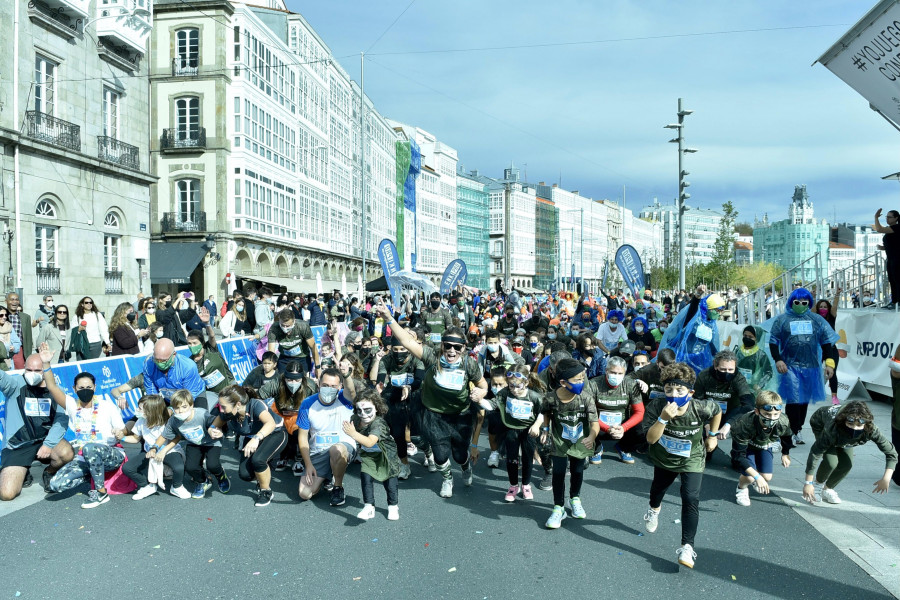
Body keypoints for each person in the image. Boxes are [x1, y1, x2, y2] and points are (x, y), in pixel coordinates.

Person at [375, 303, 487, 498]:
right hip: (434, 415)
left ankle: (465, 465)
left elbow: (483, 385)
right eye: (448, 346)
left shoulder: (469, 364)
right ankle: (447, 479)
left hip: (460, 415)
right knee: (441, 455)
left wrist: (480, 393)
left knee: (460, 455)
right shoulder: (433, 357)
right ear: (442, 345)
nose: (451, 351)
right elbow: (408, 342)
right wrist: (388, 317)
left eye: (457, 347)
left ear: (463, 348)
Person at [641, 362, 722, 569]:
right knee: (657, 491)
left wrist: (712, 435)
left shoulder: (700, 407)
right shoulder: (657, 406)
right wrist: (663, 419)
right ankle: (653, 510)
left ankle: (687, 546)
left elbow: (717, 411)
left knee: (691, 497)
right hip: (664, 458)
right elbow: (650, 439)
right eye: (669, 389)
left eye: (680, 390)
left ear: (691, 392)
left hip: (692, 458)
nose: (674, 394)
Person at [40, 346, 127, 509]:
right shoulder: (72, 405)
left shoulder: (107, 406)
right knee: (57, 485)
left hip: (111, 454)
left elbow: (123, 430)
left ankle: (101, 494)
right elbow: (52, 387)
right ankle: (92, 474)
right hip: (84, 457)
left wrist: (120, 433)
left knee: (89, 448)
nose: (85, 391)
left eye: (88, 387)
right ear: (74, 389)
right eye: (81, 388)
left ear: (94, 387)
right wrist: (46, 363)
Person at [768, 287, 838, 447]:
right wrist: (778, 359)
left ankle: (797, 429)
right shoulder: (782, 320)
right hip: (790, 366)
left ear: (809, 303)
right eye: (797, 302)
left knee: (804, 399)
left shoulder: (817, 320)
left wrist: (829, 363)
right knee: (793, 398)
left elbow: (827, 343)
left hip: (811, 366)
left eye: (804, 302)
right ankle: (790, 431)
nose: (800, 305)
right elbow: (773, 341)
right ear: (792, 302)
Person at [0, 353, 73, 500]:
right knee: (6, 494)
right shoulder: (15, 385)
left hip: (44, 442)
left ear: (45, 370)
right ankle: (23, 471)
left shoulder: (55, 391)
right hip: (18, 445)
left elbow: (61, 420)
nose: (32, 374)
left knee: (67, 453)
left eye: (37, 371)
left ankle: (50, 472)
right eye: (29, 370)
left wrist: (48, 444)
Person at [542, 358, 600, 529]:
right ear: (563, 382)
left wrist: (592, 437)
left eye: (583, 378)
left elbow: (594, 422)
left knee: (577, 470)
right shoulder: (551, 398)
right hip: (559, 441)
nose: (581, 382)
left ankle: (575, 498)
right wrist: (545, 429)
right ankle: (558, 508)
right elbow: (546, 413)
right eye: (577, 380)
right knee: (558, 473)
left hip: (581, 441)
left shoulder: (586, 398)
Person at [802, 401, 897, 505]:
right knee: (831, 462)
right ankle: (818, 485)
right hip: (820, 422)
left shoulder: (871, 429)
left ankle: (827, 489)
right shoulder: (832, 428)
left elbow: (891, 453)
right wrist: (808, 483)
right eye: (850, 424)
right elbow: (815, 453)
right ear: (844, 421)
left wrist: (886, 478)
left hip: (843, 437)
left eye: (859, 425)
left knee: (846, 464)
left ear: (866, 424)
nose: (854, 428)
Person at [211, 385, 287, 507]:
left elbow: (270, 423)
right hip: (252, 438)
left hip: (275, 433)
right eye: (220, 406)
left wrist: (256, 438)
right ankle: (266, 465)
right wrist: (214, 430)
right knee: (245, 475)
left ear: (238, 404)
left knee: (258, 460)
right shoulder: (227, 413)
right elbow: (215, 425)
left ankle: (265, 491)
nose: (221, 410)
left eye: (224, 407)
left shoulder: (255, 405)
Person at [297, 368, 359, 506]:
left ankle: (337, 487)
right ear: (319, 384)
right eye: (325, 385)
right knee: (304, 493)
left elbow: (352, 392)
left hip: (342, 447)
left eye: (333, 386)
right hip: (318, 450)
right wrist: (308, 464)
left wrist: (347, 374)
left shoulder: (345, 398)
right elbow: (302, 438)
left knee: (336, 450)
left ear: (340, 387)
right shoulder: (307, 404)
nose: (328, 389)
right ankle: (326, 474)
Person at [482, 366, 544, 502]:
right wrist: (479, 400)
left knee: (527, 459)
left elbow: (542, 413)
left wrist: (536, 425)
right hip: (510, 429)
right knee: (512, 459)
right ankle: (513, 486)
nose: (514, 389)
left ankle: (526, 485)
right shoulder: (505, 393)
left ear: (526, 383)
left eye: (518, 386)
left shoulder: (534, 396)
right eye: (511, 385)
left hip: (528, 431)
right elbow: (492, 405)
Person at [152, 390, 229, 500]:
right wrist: (155, 448)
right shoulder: (173, 420)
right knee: (190, 467)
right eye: (177, 408)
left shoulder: (201, 414)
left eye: (184, 407)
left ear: (191, 405)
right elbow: (164, 436)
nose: (180, 411)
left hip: (211, 441)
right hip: (194, 443)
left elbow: (217, 421)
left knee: (212, 465)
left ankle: (221, 476)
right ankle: (203, 481)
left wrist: (218, 430)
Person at [342, 389, 402, 520]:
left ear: (376, 408)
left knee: (389, 482)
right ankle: (369, 506)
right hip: (369, 455)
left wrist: (353, 434)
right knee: (366, 478)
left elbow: (369, 442)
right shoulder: (355, 419)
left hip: (386, 455)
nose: (363, 414)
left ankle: (393, 506)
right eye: (360, 410)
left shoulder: (379, 423)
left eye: (368, 410)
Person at [691, 350, 755, 467]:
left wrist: (729, 424)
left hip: (730, 414)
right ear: (715, 365)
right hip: (708, 414)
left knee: (745, 419)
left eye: (731, 370)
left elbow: (748, 405)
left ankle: (738, 456)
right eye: (723, 369)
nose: (727, 373)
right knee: (705, 455)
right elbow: (696, 403)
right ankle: (702, 449)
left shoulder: (738, 378)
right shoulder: (704, 376)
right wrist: (706, 425)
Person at [374, 338, 426, 479]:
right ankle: (404, 464)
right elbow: (381, 377)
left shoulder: (417, 359)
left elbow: (419, 380)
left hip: (414, 393)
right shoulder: (386, 359)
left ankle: (428, 452)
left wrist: (408, 387)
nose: (398, 353)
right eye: (395, 350)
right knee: (398, 433)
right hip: (395, 397)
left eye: (402, 349)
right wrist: (379, 386)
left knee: (421, 431)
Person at [122, 394, 190, 500]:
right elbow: (136, 438)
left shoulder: (168, 421)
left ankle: (177, 486)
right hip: (149, 452)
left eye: (140, 408)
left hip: (169, 451)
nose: (137, 410)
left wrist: (163, 451)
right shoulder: (141, 421)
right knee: (127, 468)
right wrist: (122, 438)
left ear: (151, 411)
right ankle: (148, 486)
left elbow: (176, 438)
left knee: (179, 468)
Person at [730, 391, 792, 507]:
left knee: (767, 477)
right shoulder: (744, 423)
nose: (771, 418)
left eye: (775, 414)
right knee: (749, 477)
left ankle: (754, 478)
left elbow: (787, 437)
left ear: (780, 412)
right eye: (767, 414)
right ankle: (741, 488)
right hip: (747, 447)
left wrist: (785, 453)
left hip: (764, 445)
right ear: (757, 411)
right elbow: (739, 456)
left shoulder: (783, 421)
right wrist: (756, 477)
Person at [588, 356, 644, 465]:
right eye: (613, 372)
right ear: (606, 371)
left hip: (622, 426)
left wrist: (624, 427)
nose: (616, 376)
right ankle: (597, 448)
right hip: (598, 425)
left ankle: (623, 447)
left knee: (643, 428)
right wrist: (607, 428)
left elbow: (639, 412)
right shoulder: (593, 384)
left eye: (620, 374)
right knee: (583, 420)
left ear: (625, 373)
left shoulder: (631, 384)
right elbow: (589, 412)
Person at [659, 293, 725, 375]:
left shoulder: (711, 324)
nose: (719, 313)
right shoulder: (694, 319)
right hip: (683, 357)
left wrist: (717, 356)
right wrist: (697, 297)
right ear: (708, 308)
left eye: (720, 311)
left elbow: (711, 343)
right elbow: (691, 311)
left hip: (700, 359)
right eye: (717, 310)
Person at [272, 361, 318, 475]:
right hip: (282, 415)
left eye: (297, 380)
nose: (293, 383)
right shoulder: (277, 383)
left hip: (302, 417)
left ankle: (299, 460)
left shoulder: (311, 387)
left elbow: (318, 406)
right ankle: (283, 457)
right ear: (284, 378)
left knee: (301, 433)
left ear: (302, 379)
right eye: (289, 380)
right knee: (278, 431)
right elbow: (259, 394)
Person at [142, 338, 206, 407]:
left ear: (174, 355)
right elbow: (151, 392)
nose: (159, 363)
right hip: (169, 398)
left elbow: (189, 396)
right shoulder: (148, 365)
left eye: (164, 361)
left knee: (198, 415)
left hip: (194, 395)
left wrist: (171, 410)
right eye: (156, 360)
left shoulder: (188, 367)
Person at [268, 308, 320, 374]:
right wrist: (271, 368)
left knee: (302, 380)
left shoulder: (303, 326)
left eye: (288, 326)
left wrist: (317, 367)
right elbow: (271, 352)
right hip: (284, 358)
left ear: (294, 321)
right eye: (282, 325)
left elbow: (313, 347)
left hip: (302, 357)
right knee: (282, 379)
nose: (285, 328)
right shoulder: (274, 328)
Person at [815, 288, 842, 405]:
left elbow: (835, 307)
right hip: (818, 349)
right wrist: (811, 296)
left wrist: (837, 295)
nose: (823, 309)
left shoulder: (832, 317)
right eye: (821, 306)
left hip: (831, 350)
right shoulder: (814, 318)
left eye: (825, 307)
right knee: (814, 370)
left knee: (833, 373)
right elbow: (811, 310)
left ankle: (834, 397)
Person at [873, 208, 900, 308]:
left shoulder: (897, 227)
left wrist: (876, 217)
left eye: (889, 217)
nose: (887, 219)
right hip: (891, 259)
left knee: (897, 280)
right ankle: (894, 301)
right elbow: (895, 244)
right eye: (886, 217)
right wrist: (883, 247)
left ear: (896, 218)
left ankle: (898, 302)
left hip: (897, 259)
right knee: (892, 280)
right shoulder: (892, 229)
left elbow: (879, 229)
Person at [735, 326, 773, 394]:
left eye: (750, 337)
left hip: (753, 390)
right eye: (745, 335)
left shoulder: (761, 355)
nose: (747, 338)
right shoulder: (737, 351)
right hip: (737, 386)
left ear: (757, 339)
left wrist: (759, 385)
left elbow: (768, 372)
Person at [6, 292, 33, 369]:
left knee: (19, 372)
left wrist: (28, 356)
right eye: (12, 299)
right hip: (4, 349)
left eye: (17, 299)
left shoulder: (25, 317)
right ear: (6, 301)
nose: (14, 302)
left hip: (19, 351)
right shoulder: (2, 315)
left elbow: (28, 338)